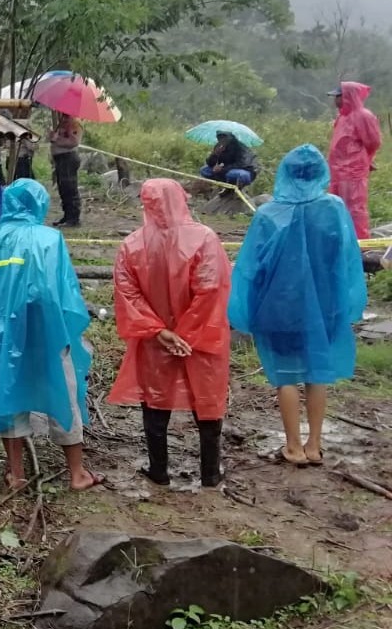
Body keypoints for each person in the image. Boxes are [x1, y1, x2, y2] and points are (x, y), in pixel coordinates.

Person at [0, 178, 103, 491]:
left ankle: (16, 473)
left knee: (7, 396)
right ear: (39, 204)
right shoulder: (49, 239)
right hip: (46, 331)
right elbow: (63, 291)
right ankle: (77, 473)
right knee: (63, 391)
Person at [229, 145, 366, 466]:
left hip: (280, 308)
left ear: (285, 173)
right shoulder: (334, 208)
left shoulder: (268, 213)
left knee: (286, 375)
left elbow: (251, 267)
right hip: (325, 303)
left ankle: (293, 446)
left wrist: (243, 308)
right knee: (317, 372)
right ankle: (314, 444)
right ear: (321, 172)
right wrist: (347, 300)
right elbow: (348, 259)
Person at [109, 179, 231, 488]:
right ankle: (210, 472)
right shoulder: (204, 238)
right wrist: (186, 334)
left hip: (156, 341)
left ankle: (159, 470)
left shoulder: (132, 245)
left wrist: (161, 332)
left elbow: (128, 292)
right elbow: (211, 288)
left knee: (155, 400)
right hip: (202, 337)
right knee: (207, 399)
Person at [327, 81, 381, 239]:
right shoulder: (342, 117)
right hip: (337, 171)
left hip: (353, 171)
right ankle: (341, 238)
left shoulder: (364, 116)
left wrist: (365, 160)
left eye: (338, 96)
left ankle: (360, 242)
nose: (335, 100)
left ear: (348, 96)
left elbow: (373, 142)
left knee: (355, 207)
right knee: (336, 205)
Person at [49, 111, 82, 227]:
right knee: (62, 187)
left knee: (69, 187)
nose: (62, 116)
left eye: (65, 114)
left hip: (68, 157)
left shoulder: (74, 125)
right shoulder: (61, 124)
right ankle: (67, 215)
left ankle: (73, 218)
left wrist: (57, 140)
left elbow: (74, 142)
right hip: (60, 158)